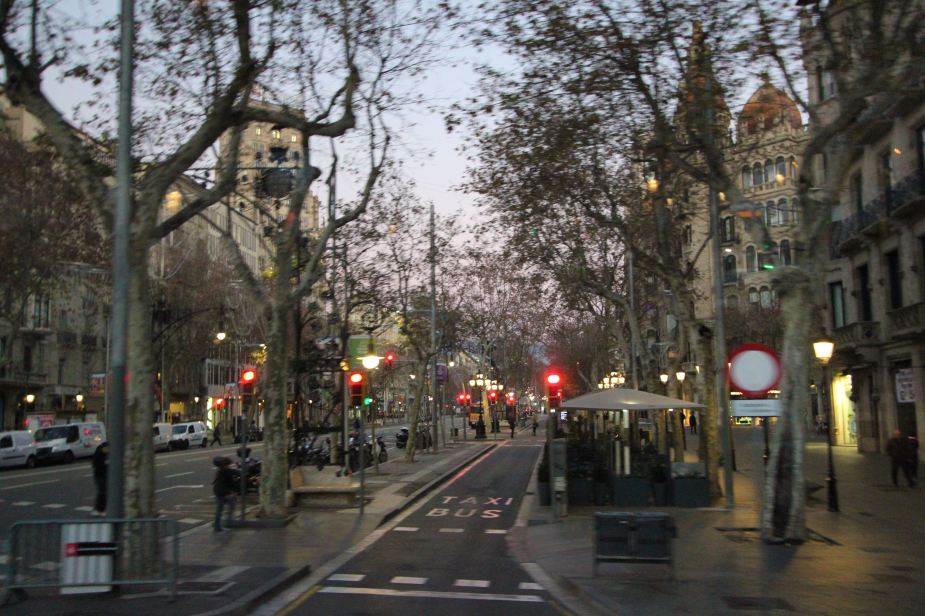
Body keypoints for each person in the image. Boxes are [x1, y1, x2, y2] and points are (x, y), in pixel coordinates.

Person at [212, 456, 236, 531]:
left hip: (217, 491)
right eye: (229, 464)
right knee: (231, 505)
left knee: (219, 509)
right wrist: (233, 491)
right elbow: (231, 482)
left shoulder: (221, 469)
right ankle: (228, 523)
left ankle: (217, 525)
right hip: (223, 492)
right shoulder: (226, 470)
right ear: (227, 464)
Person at [91, 442, 109, 517]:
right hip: (100, 476)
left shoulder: (105, 454)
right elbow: (96, 464)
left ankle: (102, 509)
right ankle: (99, 509)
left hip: (104, 476)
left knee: (104, 492)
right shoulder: (98, 454)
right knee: (102, 492)